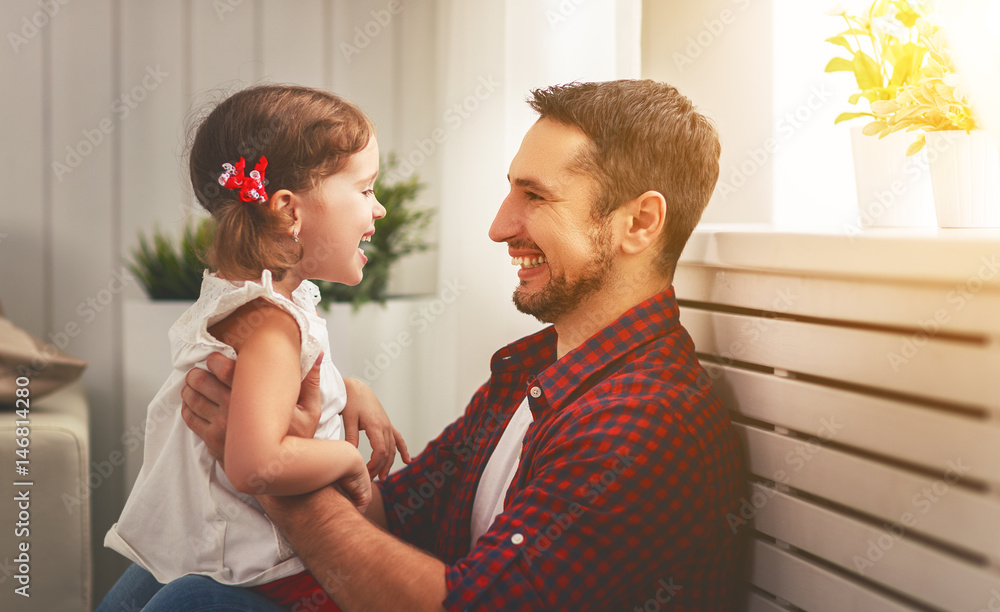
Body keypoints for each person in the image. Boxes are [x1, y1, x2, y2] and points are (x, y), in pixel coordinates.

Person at [171, 79, 745, 611]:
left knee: (191, 602)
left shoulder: (641, 424)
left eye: (536, 196)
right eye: (510, 190)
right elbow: (393, 516)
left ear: (640, 223)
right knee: (177, 585)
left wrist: (267, 472)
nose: (499, 226)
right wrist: (336, 394)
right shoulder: (532, 374)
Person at [97, 85, 409, 612]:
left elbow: (275, 392)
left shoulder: (251, 304)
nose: (377, 208)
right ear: (290, 211)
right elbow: (254, 465)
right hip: (283, 573)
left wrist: (349, 388)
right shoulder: (271, 326)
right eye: (365, 189)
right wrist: (345, 462)